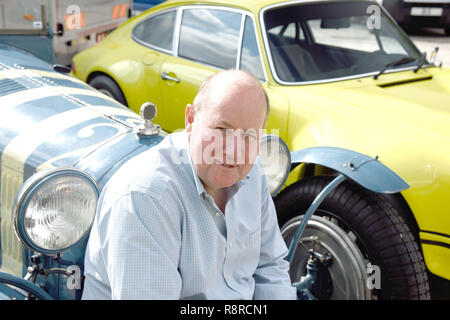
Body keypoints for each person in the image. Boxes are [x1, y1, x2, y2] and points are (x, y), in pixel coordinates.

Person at [82, 70, 297, 300]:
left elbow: (270, 267)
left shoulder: (252, 173)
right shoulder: (146, 197)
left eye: (248, 135)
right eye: (222, 130)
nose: (234, 151)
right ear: (191, 120)